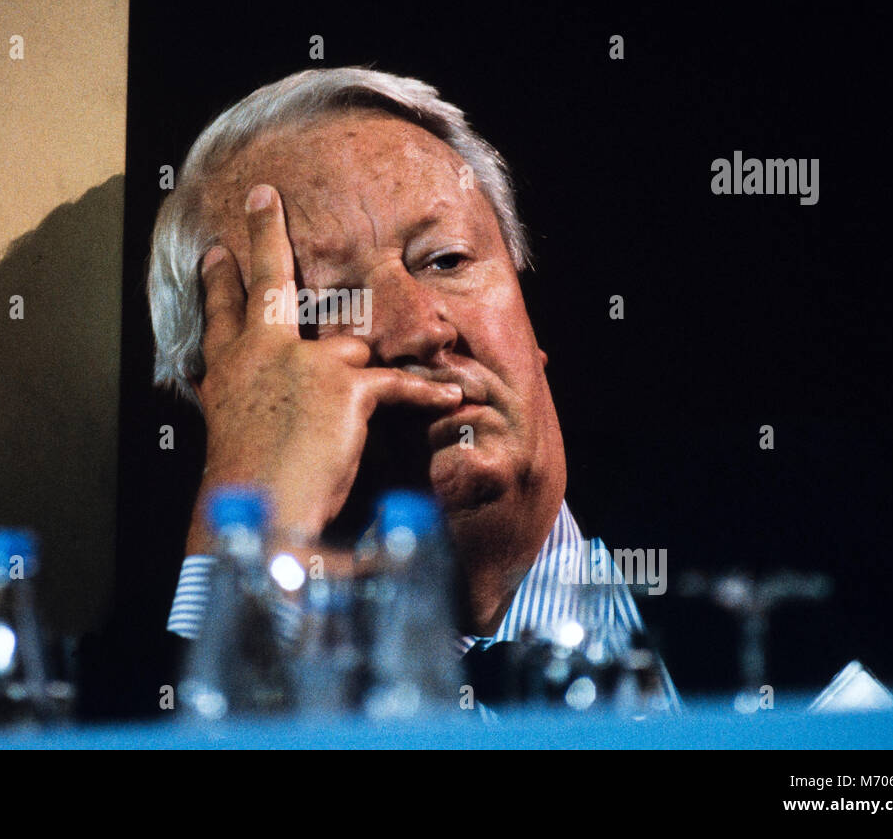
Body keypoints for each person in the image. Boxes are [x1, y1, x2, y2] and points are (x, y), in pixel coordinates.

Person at [148, 67, 679, 709]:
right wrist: (247, 518)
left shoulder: (796, 565)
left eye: (447, 260)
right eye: (328, 300)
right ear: (228, 402)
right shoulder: (102, 692)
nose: (419, 330)